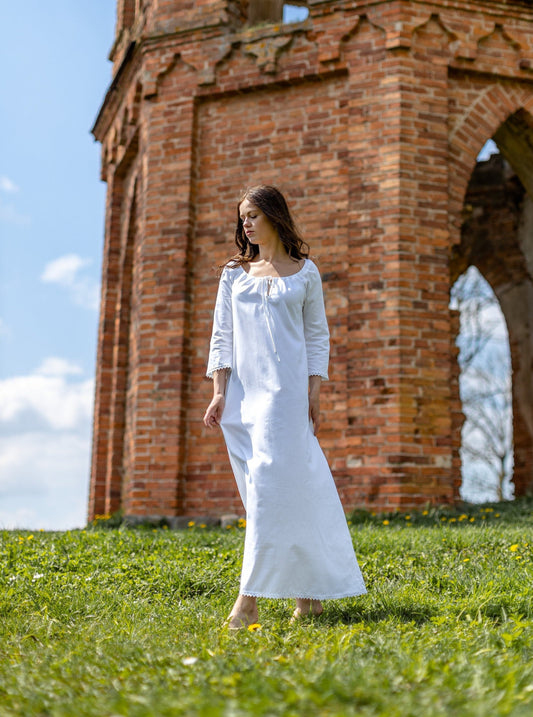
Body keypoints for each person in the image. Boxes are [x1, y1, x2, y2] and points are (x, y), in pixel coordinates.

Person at [204, 185, 366, 628]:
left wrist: (313, 392)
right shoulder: (234, 275)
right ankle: (307, 596)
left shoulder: (305, 272)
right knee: (273, 492)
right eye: (242, 218)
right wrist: (219, 392)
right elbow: (222, 337)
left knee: (272, 488)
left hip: (286, 396)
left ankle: (248, 602)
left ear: (275, 216)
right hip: (242, 397)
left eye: (253, 215)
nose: (246, 224)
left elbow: (317, 336)